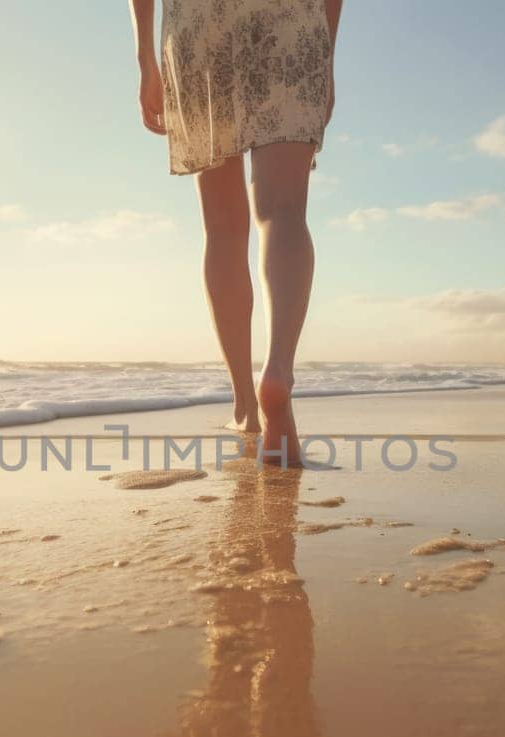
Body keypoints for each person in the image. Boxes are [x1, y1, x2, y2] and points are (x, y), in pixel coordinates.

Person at [129, 0, 343, 467]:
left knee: (223, 230)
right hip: (290, 17)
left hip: (199, 25)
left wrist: (146, 58)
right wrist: (325, 56)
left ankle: (246, 407)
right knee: (283, 213)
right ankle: (278, 373)